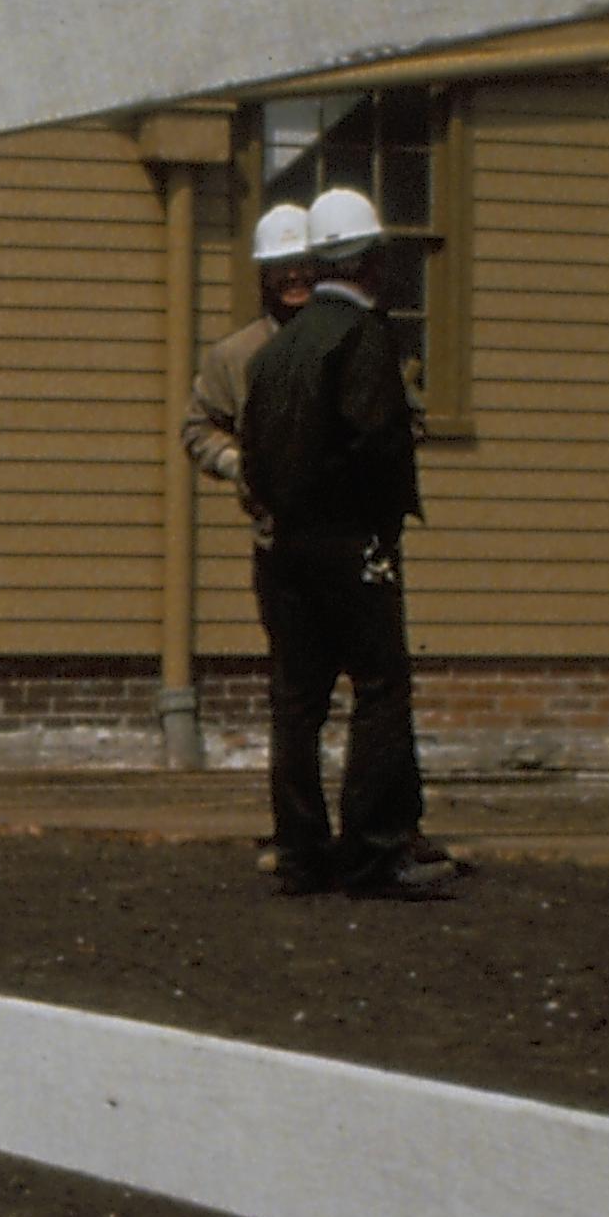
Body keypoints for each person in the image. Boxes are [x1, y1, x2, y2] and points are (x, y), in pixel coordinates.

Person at [238, 187, 459, 901]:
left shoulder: (272, 355)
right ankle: (373, 848)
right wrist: (380, 527)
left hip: (288, 548)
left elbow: (256, 459)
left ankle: (301, 851)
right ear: (367, 260)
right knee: (380, 691)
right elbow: (375, 444)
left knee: (297, 701)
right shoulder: (361, 337)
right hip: (352, 543)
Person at [182, 201, 315, 534]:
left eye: (301, 263)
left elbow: (407, 420)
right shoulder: (235, 355)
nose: (293, 275)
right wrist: (237, 464)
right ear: (263, 275)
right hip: (277, 533)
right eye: (280, 266)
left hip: (354, 532)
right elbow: (198, 427)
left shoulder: (358, 340)